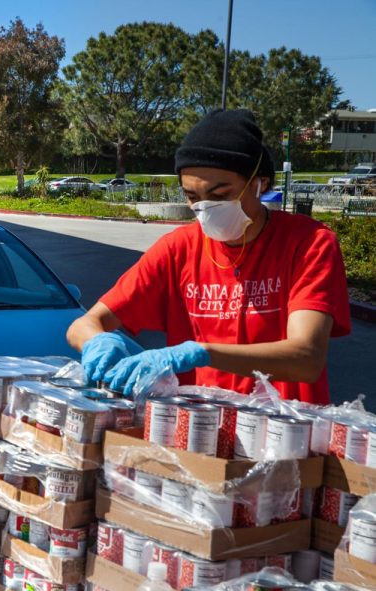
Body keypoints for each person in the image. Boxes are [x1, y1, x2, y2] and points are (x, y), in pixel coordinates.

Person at [66, 109, 350, 405]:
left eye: (220, 194)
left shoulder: (309, 244)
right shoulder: (178, 249)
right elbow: (82, 325)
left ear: (259, 182)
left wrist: (201, 353)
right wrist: (97, 341)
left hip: (284, 432)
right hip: (198, 431)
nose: (205, 207)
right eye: (192, 196)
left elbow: (305, 358)